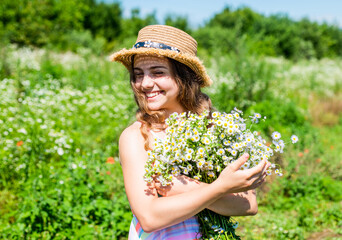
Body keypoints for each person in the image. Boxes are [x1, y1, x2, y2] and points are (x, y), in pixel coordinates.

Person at [111, 25, 270, 239]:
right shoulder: (136, 136)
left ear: (185, 77)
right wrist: (220, 188)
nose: (145, 84)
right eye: (138, 74)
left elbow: (248, 204)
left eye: (158, 72)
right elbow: (149, 217)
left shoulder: (218, 127)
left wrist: (181, 187)